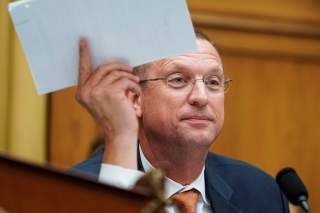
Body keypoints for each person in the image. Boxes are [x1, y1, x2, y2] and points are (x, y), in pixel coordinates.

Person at [71, 30, 289, 213]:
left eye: (213, 82)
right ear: (136, 97)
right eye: (178, 80)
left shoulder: (262, 192)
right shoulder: (73, 192)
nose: (201, 97)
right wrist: (120, 135)